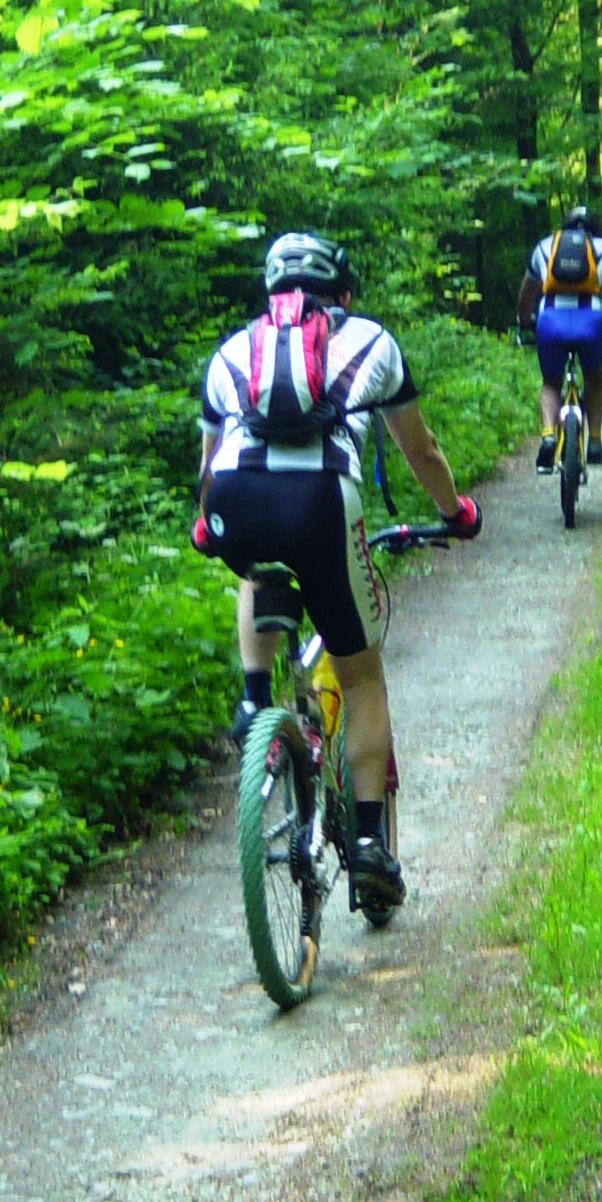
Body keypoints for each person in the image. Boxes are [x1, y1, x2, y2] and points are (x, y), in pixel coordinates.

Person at [192, 230, 482, 913]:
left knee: (255, 567)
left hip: (237, 498)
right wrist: (457, 509)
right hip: (323, 501)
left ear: (270, 295)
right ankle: (373, 845)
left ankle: (254, 699)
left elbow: (208, 467)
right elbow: (421, 449)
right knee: (361, 673)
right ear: (343, 293)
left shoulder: (231, 352)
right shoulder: (372, 342)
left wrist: (207, 524)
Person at [516, 205, 602, 474]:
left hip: (550, 321)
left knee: (551, 382)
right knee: (594, 377)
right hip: (592, 321)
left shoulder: (545, 247)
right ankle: (596, 441)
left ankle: (548, 435)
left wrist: (525, 323)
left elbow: (525, 296)